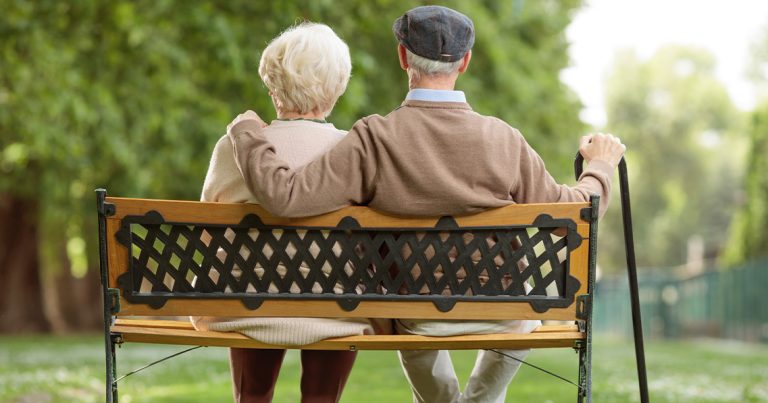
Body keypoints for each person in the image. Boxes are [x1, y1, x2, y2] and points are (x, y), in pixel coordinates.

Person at [225, 6, 626, 403]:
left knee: (407, 309)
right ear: (464, 61)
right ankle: (481, 400)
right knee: (526, 315)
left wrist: (246, 132)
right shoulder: (503, 139)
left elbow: (287, 195)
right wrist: (601, 167)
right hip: (504, 310)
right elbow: (573, 214)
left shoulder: (374, 137)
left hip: (416, 315)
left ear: (402, 57)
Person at [190, 22, 389, 403]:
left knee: (253, 396)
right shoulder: (354, 151)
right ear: (337, 87)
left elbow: (207, 230)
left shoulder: (232, 147)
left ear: (272, 86)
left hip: (245, 305)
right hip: (336, 309)